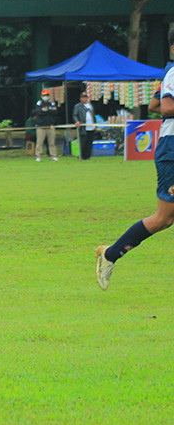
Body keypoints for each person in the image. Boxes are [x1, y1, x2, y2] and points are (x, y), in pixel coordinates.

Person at [95, 28, 174, 291]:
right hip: (172, 150)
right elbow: (165, 107)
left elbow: (154, 105)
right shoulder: (173, 72)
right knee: (163, 218)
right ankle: (110, 255)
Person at [32, 88, 59, 162]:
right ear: (41, 96)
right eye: (44, 95)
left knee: (52, 142)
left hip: (50, 126)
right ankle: (38, 156)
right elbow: (39, 112)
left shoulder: (52, 103)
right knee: (39, 142)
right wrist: (49, 111)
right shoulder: (39, 103)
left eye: (47, 95)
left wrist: (46, 111)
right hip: (41, 126)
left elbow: (55, 112)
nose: (45, 96)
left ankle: (53, 156)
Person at [73, 92, 96, 161]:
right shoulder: (77, 106)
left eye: (85, 97)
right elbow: (74, 115)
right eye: (83, 97)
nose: (84, 99)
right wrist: (77, 121)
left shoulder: (90, 106)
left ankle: (88, 156)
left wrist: (95, 124)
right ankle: (82, 156)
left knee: (89, 142)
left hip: (91, 127)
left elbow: (93, 115)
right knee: (83, 142)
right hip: (83, 127)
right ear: (80, 98)